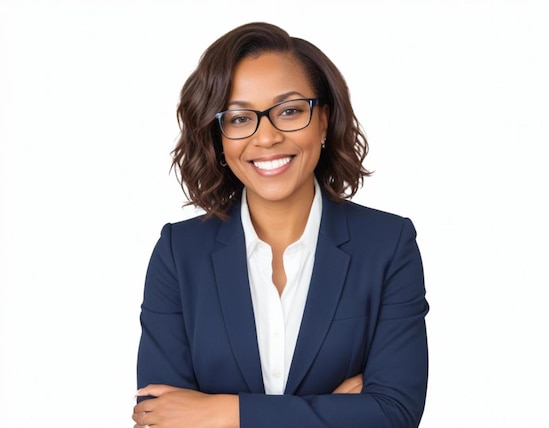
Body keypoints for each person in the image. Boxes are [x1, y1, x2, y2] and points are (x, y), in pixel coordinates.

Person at [132, 21, 429, 428]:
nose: (266, 137)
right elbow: (159, 418)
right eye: (239, 118)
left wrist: (226, 412)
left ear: (323, 120)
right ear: (218, 137)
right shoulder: (178, 254)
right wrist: (334, 413)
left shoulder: (388, 245)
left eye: (289, 111)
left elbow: (394, 414)